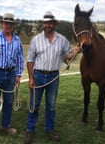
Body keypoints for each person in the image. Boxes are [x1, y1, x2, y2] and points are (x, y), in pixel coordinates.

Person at [24, 11, 81, 144]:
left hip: (53, 77)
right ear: (43, 24)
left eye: (50, 23)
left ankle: (49, 129)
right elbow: (30, 60)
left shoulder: (62, 40)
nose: (48, 25)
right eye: (46, 23)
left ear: (54, 24)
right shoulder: (35, 40)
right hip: (38, 75)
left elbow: (68, 56)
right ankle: (30, 130)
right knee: (34, 105)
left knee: (51, 106)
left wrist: (76, 51)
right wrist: (31, 78)